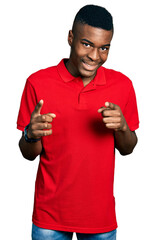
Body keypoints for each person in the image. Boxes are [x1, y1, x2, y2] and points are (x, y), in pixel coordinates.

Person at [17, 4, 139, 240]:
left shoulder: (122, 85)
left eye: (104, 48)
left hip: (99, 218)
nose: (95, 56)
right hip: (49, 217)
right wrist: (30, 134)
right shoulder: (37, 82)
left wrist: (123, 126)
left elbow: (128, 148)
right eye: (87, 44)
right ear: (71, 37)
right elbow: (28, 153)